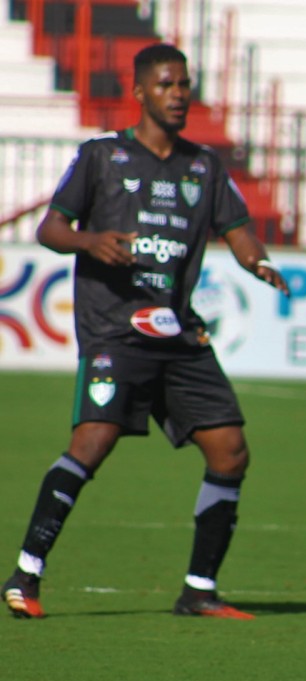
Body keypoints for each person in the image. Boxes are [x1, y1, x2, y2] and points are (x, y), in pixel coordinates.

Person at [2, 43, 290, 621]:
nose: (178, 93)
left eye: (184, 84)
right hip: (115, 331)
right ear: (139, 92)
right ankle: (26, 573)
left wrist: (256, 260)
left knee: (230, 451)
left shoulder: (203, 167)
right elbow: (50, 227)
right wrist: (90, 240)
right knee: (92, 442)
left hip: (178, 336)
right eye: (166, 84)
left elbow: (236, 230)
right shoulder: (102, 158)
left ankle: (199, 589)